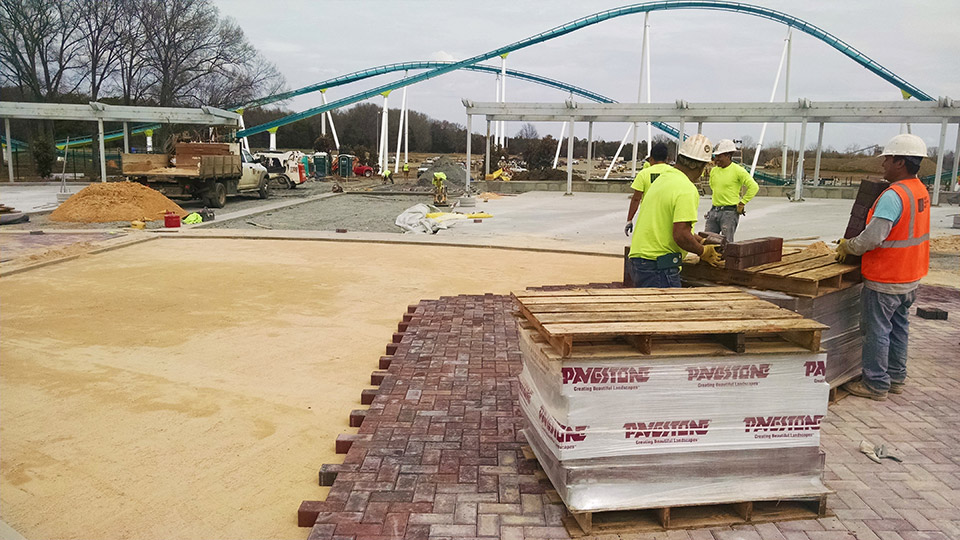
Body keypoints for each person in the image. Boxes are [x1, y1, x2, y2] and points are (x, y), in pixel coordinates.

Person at [835, 133, 930, 401]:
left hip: (886, 277)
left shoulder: (894, 195)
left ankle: (875, 383)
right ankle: (896, 377)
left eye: (887, 159)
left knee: (877, 331)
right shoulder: (919, 189)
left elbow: (874, 236)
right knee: (899, 328)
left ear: (900, 162)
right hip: (910, 276)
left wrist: (849, 246)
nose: (883, 165)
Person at [627, 134, 722, 287]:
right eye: (704, 166)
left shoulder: (663, 180)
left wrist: (701, 241)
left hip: (640, 262)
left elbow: (670, 226)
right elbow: (680, 235)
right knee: (664, 310)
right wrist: (702, 251)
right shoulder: (686, 188)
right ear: (696, 166)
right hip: (659, 267)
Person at [705, 139, 758, 242]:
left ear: (728, 156)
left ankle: (726, 258)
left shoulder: (738, 171)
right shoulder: (714, 171)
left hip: (729, 213)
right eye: (716, 156)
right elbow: (712, 186)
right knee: (707, 240)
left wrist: (742, 203)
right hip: (714, 210)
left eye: (719, 156)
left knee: (727, 244)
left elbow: (754, 187)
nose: (716, 159)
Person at [625, 142, 673, 237]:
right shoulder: (674, 172)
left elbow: (636, 199)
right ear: (667, 158)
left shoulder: (643, 174)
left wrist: (629, 220)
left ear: (651, 158)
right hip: (668, 217)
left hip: (647, 218)